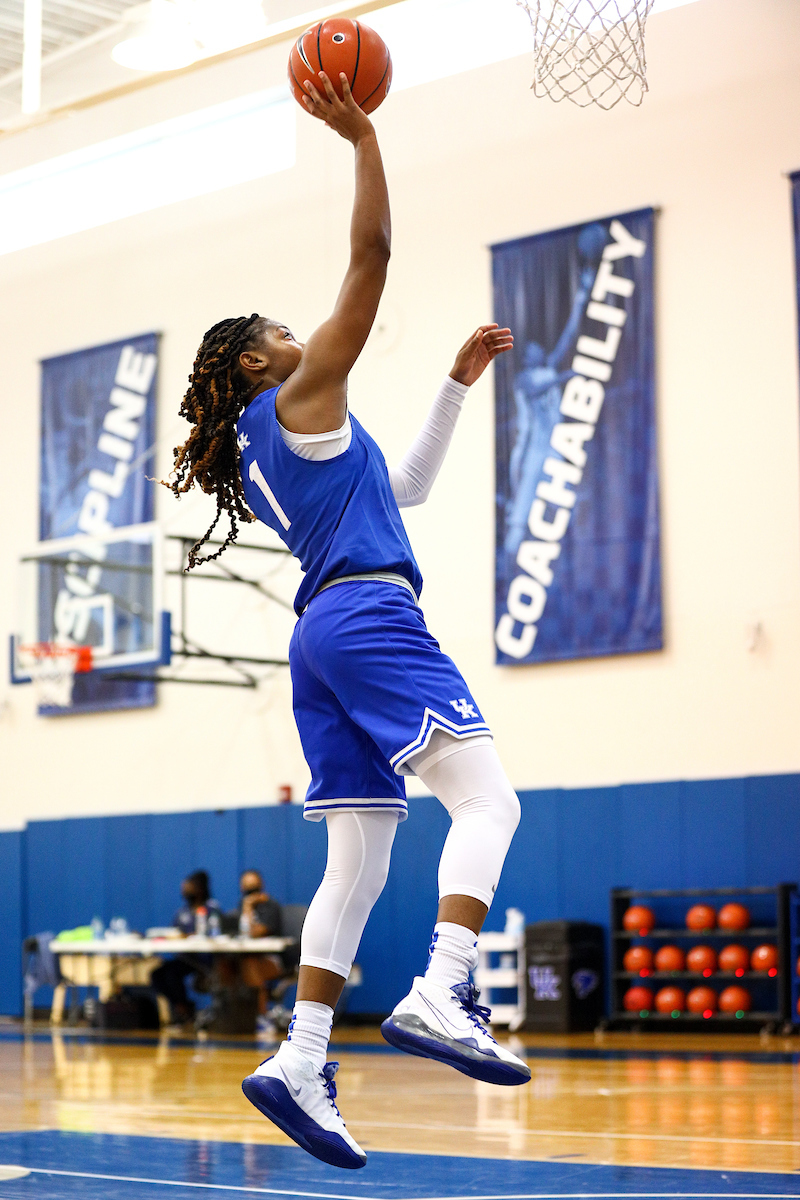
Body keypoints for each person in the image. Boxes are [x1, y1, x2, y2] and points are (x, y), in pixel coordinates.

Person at [165, 71, 529, 1170]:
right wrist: (364, 138)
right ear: (254, 362)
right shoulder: (296, 399)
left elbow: (405, 490)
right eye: (280, 328)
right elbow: (368, 264)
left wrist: (456, 384)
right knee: (488, 799)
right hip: (370, 619)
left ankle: (300, 1056)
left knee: (360, 862)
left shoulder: (285, 445)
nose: (300, 330)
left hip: (321, 635)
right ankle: (440, 990)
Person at [218, 870, 294, 1036]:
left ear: (261, 886)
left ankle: (262, 1016)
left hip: (273, 960)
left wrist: (248, 908)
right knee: (225, 962)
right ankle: (229, 1013)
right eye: (247, 889)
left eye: (254, 889)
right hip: (246, 956)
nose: (250, 894)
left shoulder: (271, 907)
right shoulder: (240, 906)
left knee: (249, 964)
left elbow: (254, 932)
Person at [151, 870, 221, 1023]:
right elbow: (174, 932)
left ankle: (186, 1010)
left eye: (188, 888)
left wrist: (190, 935)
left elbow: (214, 932)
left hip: (204, 959)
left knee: (172, 975)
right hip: (186, 958)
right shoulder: (182, 912)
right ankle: (183, 1007)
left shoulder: (211, 909)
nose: (185, 892)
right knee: (157, 974)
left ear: (200, 889)